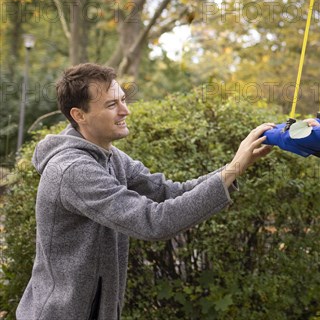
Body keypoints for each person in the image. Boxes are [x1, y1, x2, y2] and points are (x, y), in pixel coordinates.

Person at [16, 63, 274, 320]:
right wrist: (234, 168)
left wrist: (233, 167)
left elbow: (168, 192)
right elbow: (154, 221)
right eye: (111, 105)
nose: (125, 110)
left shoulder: (111, 157)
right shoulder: (73, 170)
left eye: (123, 100)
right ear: (79, 115)